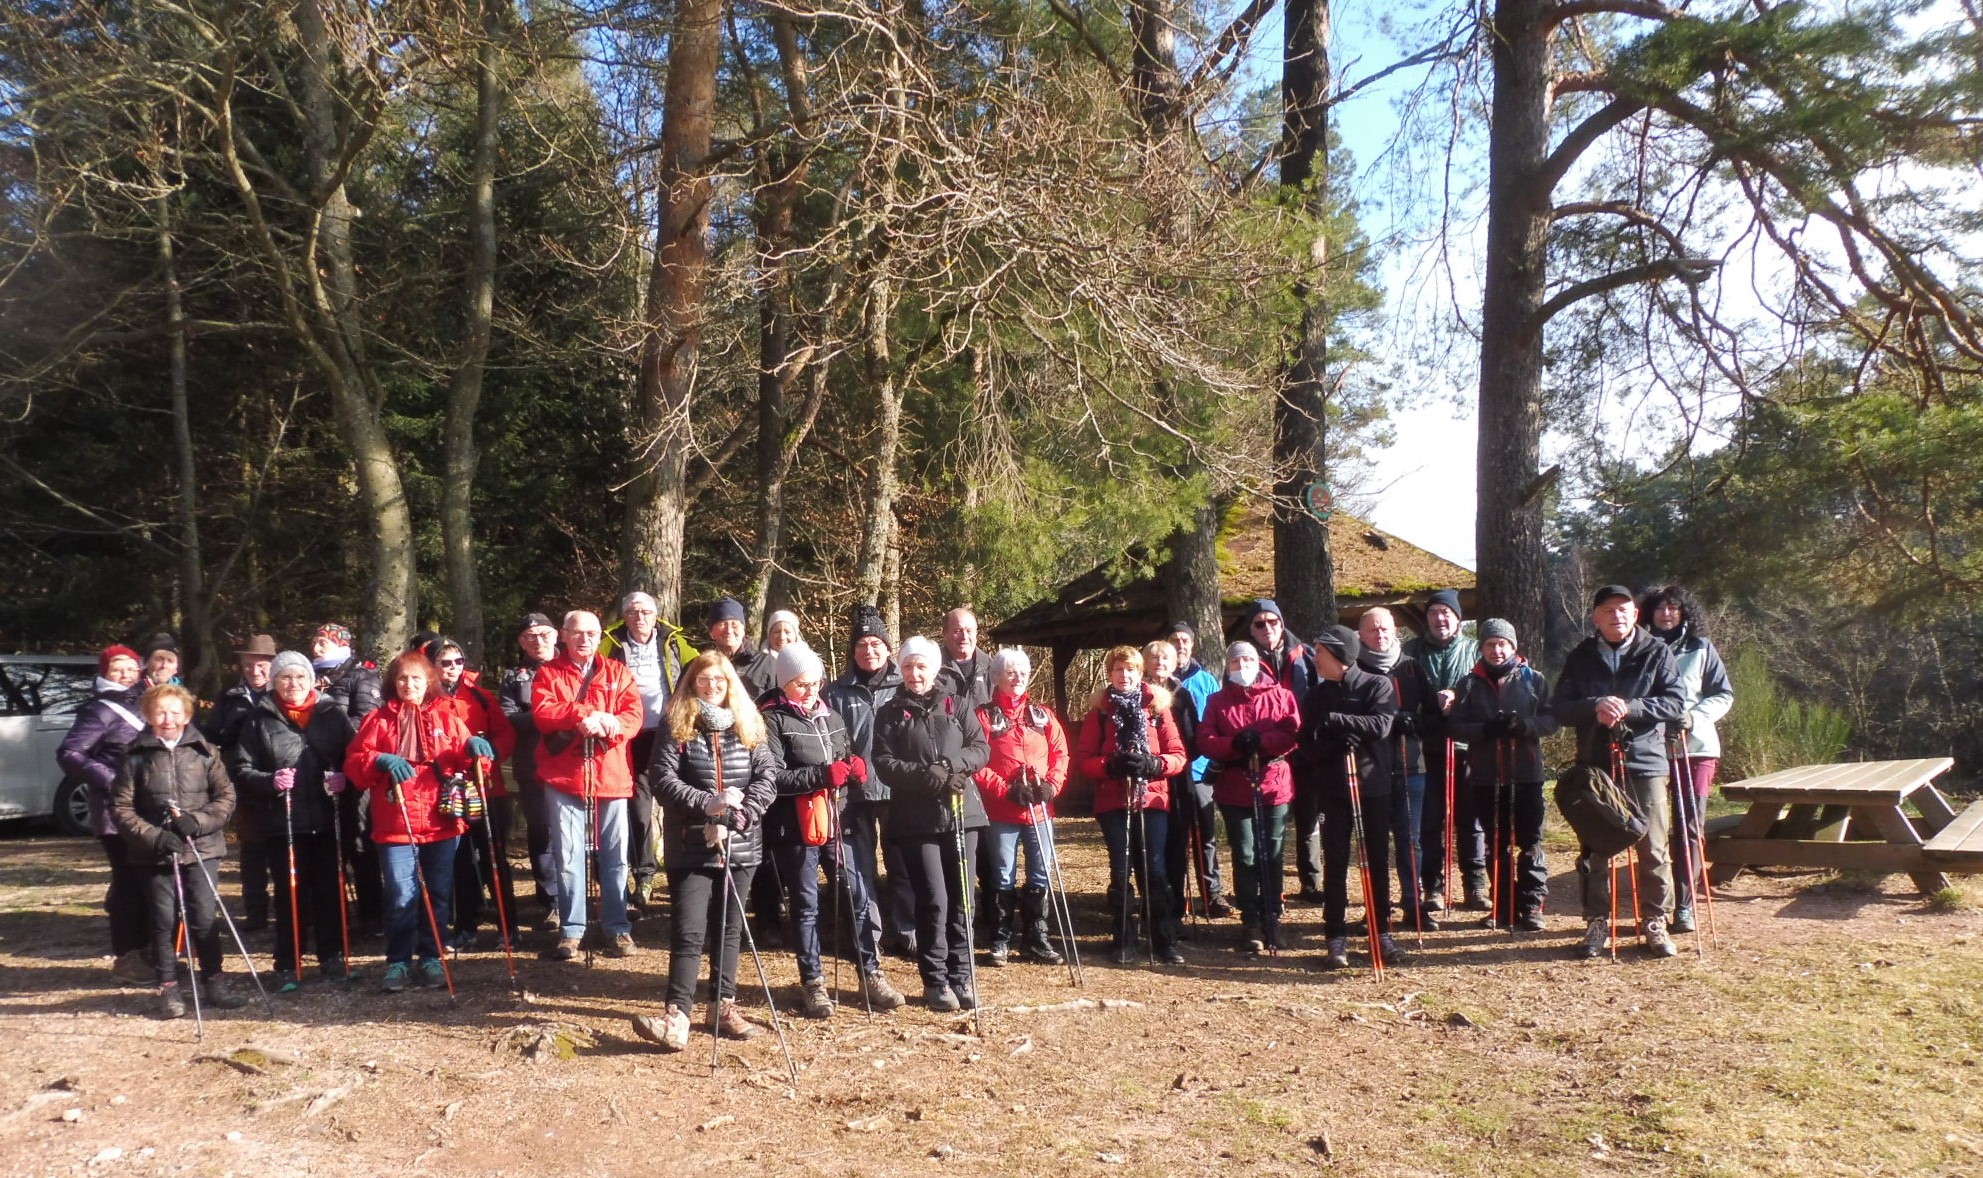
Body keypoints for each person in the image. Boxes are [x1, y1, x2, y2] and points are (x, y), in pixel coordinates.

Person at [633, 652, 778, 1050]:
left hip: (741, 844)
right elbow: (662, 780)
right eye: (703, 680)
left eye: (719, 680)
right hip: (690, 844)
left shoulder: (749, 722)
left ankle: (722, 1004)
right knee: (689, 931)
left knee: (730, 930)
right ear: (690, 684)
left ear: (730, 682)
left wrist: (741, 816)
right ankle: (677, 1014)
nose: (712, 686)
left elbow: (767, 776)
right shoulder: (676, 724)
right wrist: (708, 804)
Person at [761, 642, 905, 1016]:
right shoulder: (773, 719)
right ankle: (813, 982)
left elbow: (843, 760)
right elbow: (773, 777)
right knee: (806, 904)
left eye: (815, 682)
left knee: (856, 894)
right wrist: (822, 775)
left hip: (837, 819)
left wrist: (853, 772)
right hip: (795, 825)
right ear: (785, 683)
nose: (810, 691)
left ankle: (870, 973)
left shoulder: (832, 715)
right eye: (801, 685)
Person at [1554, 585, 1687, 959]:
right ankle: (1597, 922)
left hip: (1644, 762)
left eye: (1624, 609)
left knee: (1654, 847)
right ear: (1595, 617)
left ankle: (1654, 921)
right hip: (1595, 764)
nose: (1617, 616)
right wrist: (1596, 705)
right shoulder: (1580, 656)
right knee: (1597, 846)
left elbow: (1675, 701)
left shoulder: (1656, 652)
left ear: (1635, 615)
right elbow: (1561, 708)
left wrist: (1630, 708)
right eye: (1608, 610)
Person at [344, 651, 477, 991]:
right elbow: (355, 766)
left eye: (416, 678)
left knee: (438, 893)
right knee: (400, 894)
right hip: (395, 823)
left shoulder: (447, 718)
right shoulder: (378, 720)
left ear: (428, 681)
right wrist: (379, 759)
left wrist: (474, 749)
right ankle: (398, 962)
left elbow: (467, 760)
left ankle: (432, 957)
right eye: (403, 678)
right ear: (393, 682)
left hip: (441, 820)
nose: (409, 684)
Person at [111, 683, 245, 1018]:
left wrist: (198, 822)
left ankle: (214, 980)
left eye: (174, 712)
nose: (168, 719)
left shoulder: (205, 752)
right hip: (153, 854)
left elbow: (226, 798)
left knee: (203, 917)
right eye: (160, 713)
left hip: (201, 848)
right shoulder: (134, 756)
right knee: (162, 920)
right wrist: (154, 837)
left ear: (187, 715)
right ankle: (168, 987)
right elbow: (121, 809)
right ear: (149, 716)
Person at [229, 650, 360, 987]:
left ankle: (333, 956)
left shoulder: (331, 713)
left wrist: (344, 779)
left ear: (312, 679)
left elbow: (355, 758)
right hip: (283, 821)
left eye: (300, 677)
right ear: (274, 681)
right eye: (286, 677)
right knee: (290, 893)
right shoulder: (260, 719)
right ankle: (287, 960)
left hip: (327, 817)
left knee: (330, 890)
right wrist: (269, 781)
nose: (293, 684)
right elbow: (241, 769)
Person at [874, 636, 990, 1011]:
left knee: (962, 899)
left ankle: (962, 975)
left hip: (962, 813)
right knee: (933, 901)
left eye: (921, 666)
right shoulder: (890, 712)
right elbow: (884, 762)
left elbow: (980, 747)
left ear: (934, 668)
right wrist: (924, 776)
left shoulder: (956, 703)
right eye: (908, 666)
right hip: (916, 820)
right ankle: (935, 980)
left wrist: (953, 767)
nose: (914, 673)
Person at [531, 610, 644, 961]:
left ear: (601, 637)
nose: (585, 640)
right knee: (567, 856)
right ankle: (571, 929)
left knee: (615, 858)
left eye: (592, 633)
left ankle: (617, 927)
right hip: (564, 777)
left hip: (610, 775)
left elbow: (634, 716)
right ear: (564, 635)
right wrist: (582, 716)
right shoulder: (548, 673)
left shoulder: (618, 672)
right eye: (578, 633)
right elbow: (543, 712)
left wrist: (610, 723)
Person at [1445, 619, 1559, 931]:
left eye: (1502, 644)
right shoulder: (1468, 684)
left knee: (1531, 841)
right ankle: (1504, 905)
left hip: (1526, 773)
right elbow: (1454, 726)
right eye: (1490, 644)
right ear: (1481, 648)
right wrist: (1485, 730)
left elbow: (1551, 720)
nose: (1497, 650)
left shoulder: (1532, 680)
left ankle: (1533, 904)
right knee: (1497, 843)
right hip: (1486, 775)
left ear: (1513, 647)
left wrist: (1524, 726)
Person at [1079, 645, 1189, 965]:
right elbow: (1085, 760)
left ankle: (1162, 938)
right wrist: (1109, 765)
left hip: (1152, 797)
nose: (1124, 675)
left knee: (1154, 868)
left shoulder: (1157, 708)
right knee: (1120, 868)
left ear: (1140, 673)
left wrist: (1155, 765)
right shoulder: (1099, 711)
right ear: (1109, 673)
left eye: (1130, 670)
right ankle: (1124, 938)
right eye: (1117, 669)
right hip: (1113, 800)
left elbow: (1178, 755)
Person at [1194, 641, 1301, 955]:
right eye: (1235, 662)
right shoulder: (1217, 701)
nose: (1242, 666)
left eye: (1248, 660)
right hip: (1234, 784)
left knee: (1272, 852)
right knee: (1245, 854)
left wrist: (1263, 742)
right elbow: (1206, 740)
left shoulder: (1282, 696)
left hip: (1273, 783)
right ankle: (1250, 919)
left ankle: (1273, 916)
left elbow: (1292, 733)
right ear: (1228, 667)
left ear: (1258, 663)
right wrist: (1236, 745)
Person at [1303, 626, 1400, 970]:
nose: (1315, 660)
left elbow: (1381, 724)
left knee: (1375, 858)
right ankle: (1335, 935)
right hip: (1333, 789)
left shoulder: (1377, 684)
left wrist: (1339, 721)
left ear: (1339, 657)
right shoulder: (1316, 694)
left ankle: (1381, 930)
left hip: (1372, 786)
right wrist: (1331, 740)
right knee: (1336, 861)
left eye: (1320, 654)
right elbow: (1307, 742)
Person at [826, 605, 917, 960]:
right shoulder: (836, 692)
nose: (869, 651)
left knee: (903, 866)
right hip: (854, 795)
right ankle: (869, 936)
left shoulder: (904, 687)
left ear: (887, 647)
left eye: (876, 643)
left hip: (899, 791)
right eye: (862, 644)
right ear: (853, 651)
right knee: (860, 870)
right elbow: (830, 739)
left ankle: (908, 931)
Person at [1640, 585, 1733, 934]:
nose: (1666, 614)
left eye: (1673, 608)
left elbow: (1723, 693)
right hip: (1650, 748)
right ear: (1649, 613)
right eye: (1660, 608)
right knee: (1652, 829)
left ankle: (1684, 905)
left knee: (1688, 825)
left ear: (1684, 612)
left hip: (1696, 748)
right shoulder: (1641, 649)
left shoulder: (1701, 648)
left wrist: (1695, 717)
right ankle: (1656, 901)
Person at [58, 645, 152, 983]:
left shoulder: (148, 702)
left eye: (131, 668)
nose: (126, 674)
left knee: (149, 883)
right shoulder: (98, 710)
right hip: (116, 812)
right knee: (128, 884)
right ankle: (128, 958)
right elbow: (70, 753)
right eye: (117, 668)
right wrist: (114, 781)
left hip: (149, 809)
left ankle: (149, 953)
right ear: (104, 672)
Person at [973, 648, 1068, 967]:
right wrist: (1004, 791)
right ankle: (1000, 937)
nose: (1017, 678)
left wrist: (1052, 786)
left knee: (1041, 873)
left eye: (1023, 673)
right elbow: (976, 761)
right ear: (996, 677)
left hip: (1040, 810)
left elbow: (1061, 754)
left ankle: (1036, 938)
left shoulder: (1042, 715)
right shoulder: (983, 717)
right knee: (1002, 874)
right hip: (1002, 811)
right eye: (1010, 672)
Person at [602, 591, 696, 911]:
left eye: (645, 612)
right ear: (624, 616)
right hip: (630, 736)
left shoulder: (673, 640)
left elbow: (699, 670)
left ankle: (684, 873)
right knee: (639, 811)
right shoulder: (610, 643)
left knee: (679, 803)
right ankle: (643, 875)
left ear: (656, 614)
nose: (639, 617)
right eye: (632, 612)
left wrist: (686, 706)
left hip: (670, 733)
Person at [425, 637, 517, 951]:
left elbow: (505, 732)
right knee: (459, 859)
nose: (453, 668)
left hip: (487, 787)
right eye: (445, 662)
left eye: (458, 662)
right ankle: (466, 926)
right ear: (432, 666)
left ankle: (509, 926)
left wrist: (490, 755)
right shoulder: (424, 699)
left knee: (494, 857)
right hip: (450, 789)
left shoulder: (479, 695)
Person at [1357, 608, 1442, 932]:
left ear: (1396, 632)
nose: (1380, 635)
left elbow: (1434, 716)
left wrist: (1415, 721)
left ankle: (1413, 904)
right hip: (1371, 768)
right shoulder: (1356, 670)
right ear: (1362, 634)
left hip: (1411, 764)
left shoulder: (1411, 668)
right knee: (1375, 842)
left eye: (1385, 629)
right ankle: (1377, 908)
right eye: (1373, 630)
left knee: (1410, 840)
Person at [1405, 589, 1480, 912]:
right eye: (1434, 613)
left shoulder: (1476, 650)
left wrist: (1458, 695)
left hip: (1467, 746)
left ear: (1458, 618)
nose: (1439, 618)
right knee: (1429, 820)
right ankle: (1432, 885)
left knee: (1470, 818)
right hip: (1427, 745)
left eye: (1445, 613)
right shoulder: (1413, 652)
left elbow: (1485, 690)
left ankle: (1475, 884)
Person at [1244, 600, 1323, 902]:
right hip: (1266, 751)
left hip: (1305, 748)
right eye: (1259, 624)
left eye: (1272, 621)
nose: (1267, 628)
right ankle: (1266, 884)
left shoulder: (1306, 653)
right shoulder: (1245, 659)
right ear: (1251, 629)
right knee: (1268, 821)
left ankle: (1311, 882)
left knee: (1308, 816)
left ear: (1282, 621)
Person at [312, 623, 385, 933]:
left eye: (322, 643)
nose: (315, 649)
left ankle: (373, 913)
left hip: (353, 770)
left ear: (340, 645)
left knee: (359, 840)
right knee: (325, 842)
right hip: (317, 770)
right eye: (313, 643)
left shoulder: (362, 675)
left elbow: (365, 722)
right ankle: (331, 915)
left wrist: (330, 741)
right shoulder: (311, 677)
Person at [205, 635, 277, 933]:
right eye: (248, 664)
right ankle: (256, 912)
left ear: (273, 665)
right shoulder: (229, 696)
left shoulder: (285, 691)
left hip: (283, 780)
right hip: (245, 782)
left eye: (261, 664)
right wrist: (233, 729)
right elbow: (212, 736)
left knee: (286, 849)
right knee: (252, 850)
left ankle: (294, 909)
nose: (255, 670)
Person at [1164, 622, 1229, 919]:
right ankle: (1169, 893)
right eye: (1174, 640)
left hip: (1200, 769)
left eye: (1185, 640)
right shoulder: (1157, 680)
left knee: (1206, 834)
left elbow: (1217, 721)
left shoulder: (1206, 681)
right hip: (1168, 771)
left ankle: (1212, 895)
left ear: (1192, 645)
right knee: (1173, 836)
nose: (1180, 645)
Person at [500, 613, 560, 919]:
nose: (538, 641)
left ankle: (583, 898)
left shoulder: (574, 667)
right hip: (532, 762)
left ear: (556, 634)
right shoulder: (514, 676)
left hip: (570, 762)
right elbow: (508, 717)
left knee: (580, 832)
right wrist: (549, 717)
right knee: (541, 830)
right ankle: (550, 900)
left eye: (544, 634)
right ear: (521, 642)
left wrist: (539, 715)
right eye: (530, 636)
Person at [706, 596, 780, 704]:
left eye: (734, 624)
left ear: (743, 629)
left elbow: (779, 706)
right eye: (722, 624)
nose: (729, 630)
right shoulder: (700, 667)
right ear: (711, 633)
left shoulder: (767, 664)